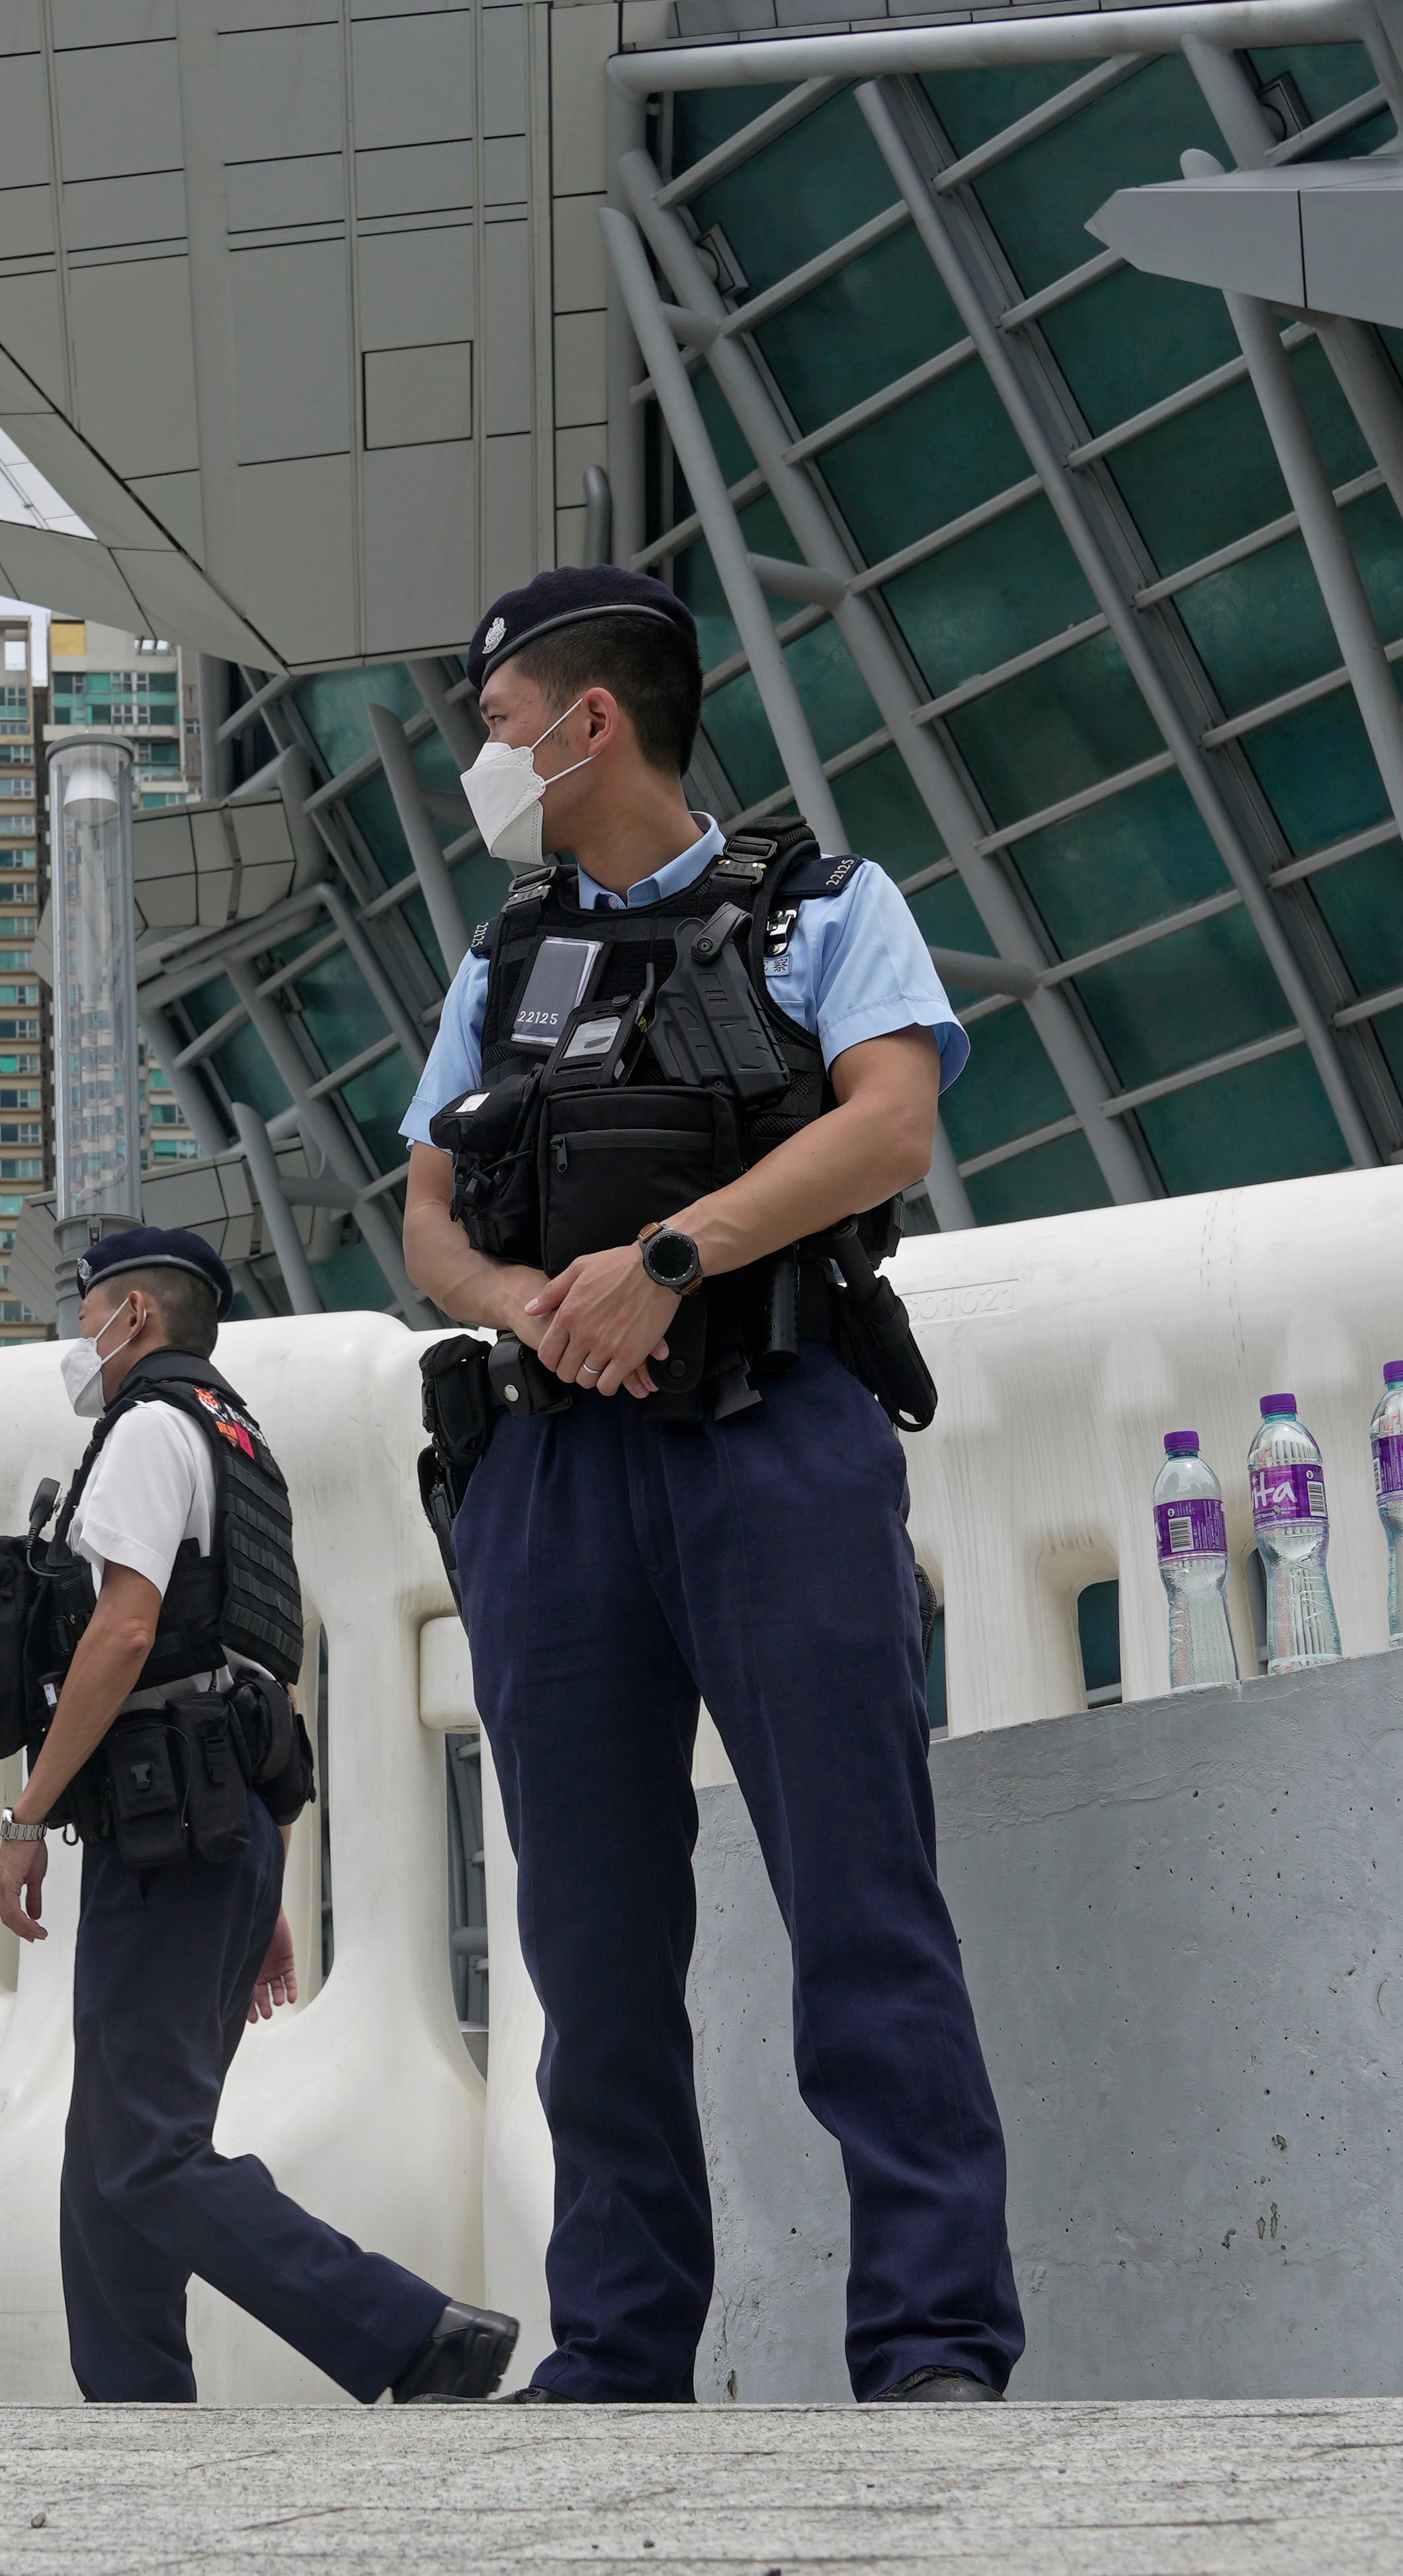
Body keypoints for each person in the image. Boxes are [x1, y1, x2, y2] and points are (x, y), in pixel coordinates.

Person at [394, 562, 1023, 2406]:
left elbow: (890, 1117)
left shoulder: (824, 904)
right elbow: (427, 1210)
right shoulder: (500, 958)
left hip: (770, 1434)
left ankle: (927, 2342)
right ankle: (617, 2343)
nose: (480, 762)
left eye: (496, 725)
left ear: (591, 720)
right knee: (588, 1940)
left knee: (860, 1896)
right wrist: (532, 1301)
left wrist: (656, 1264)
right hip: (548, 1470)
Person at [0, 1225, 521, 2408]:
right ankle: (134, 2409)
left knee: (144, 2149)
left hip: (167, 1831)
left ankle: (412, 2331)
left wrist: (26, 1816)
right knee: (111, 2153)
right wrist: (269, 1879)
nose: (76, 1338)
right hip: (223, 1829)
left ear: (132, 1316)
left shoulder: (143, 1431)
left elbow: (125, 1632)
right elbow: (264, 1675)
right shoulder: (244, 1445)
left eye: (86, 1314)